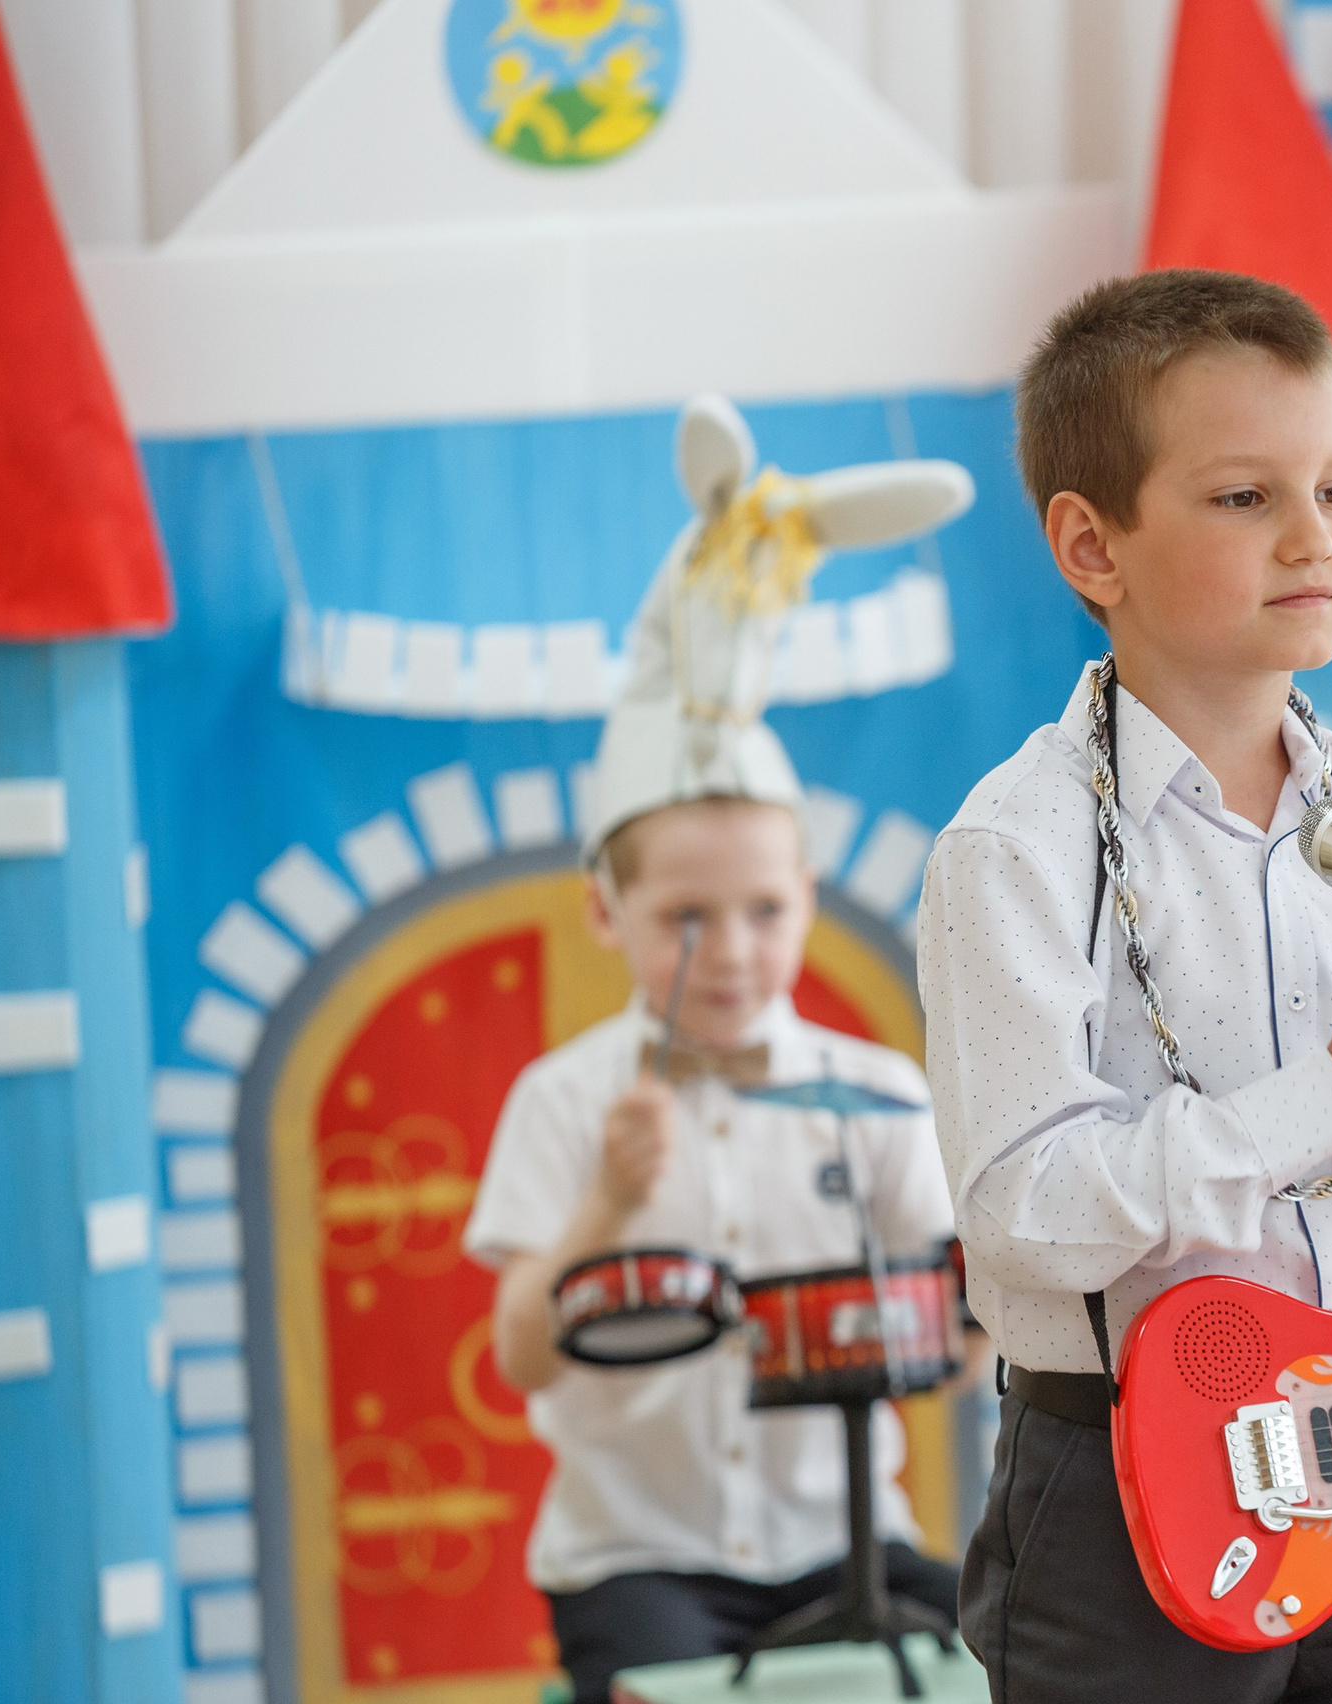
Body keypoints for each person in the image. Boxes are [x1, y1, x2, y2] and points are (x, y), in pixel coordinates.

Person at [920, 270, 1332, 1703]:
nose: (1314, 537)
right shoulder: (1010, 852)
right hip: (1123, 1495)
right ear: (1094, 547)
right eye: (1242, 498)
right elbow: (1026, 1215)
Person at [463, 397, 976, 1704]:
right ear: (605, 911)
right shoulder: (566, 1100)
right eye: (686, 918)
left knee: (1011, 1663)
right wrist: (608, 1206)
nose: (735, 950)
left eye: (764, 910)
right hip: (640, 1565)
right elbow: (520, 1352)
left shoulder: (875, 1096)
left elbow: (968, 1331)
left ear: (807, 893)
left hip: (848, 1544)